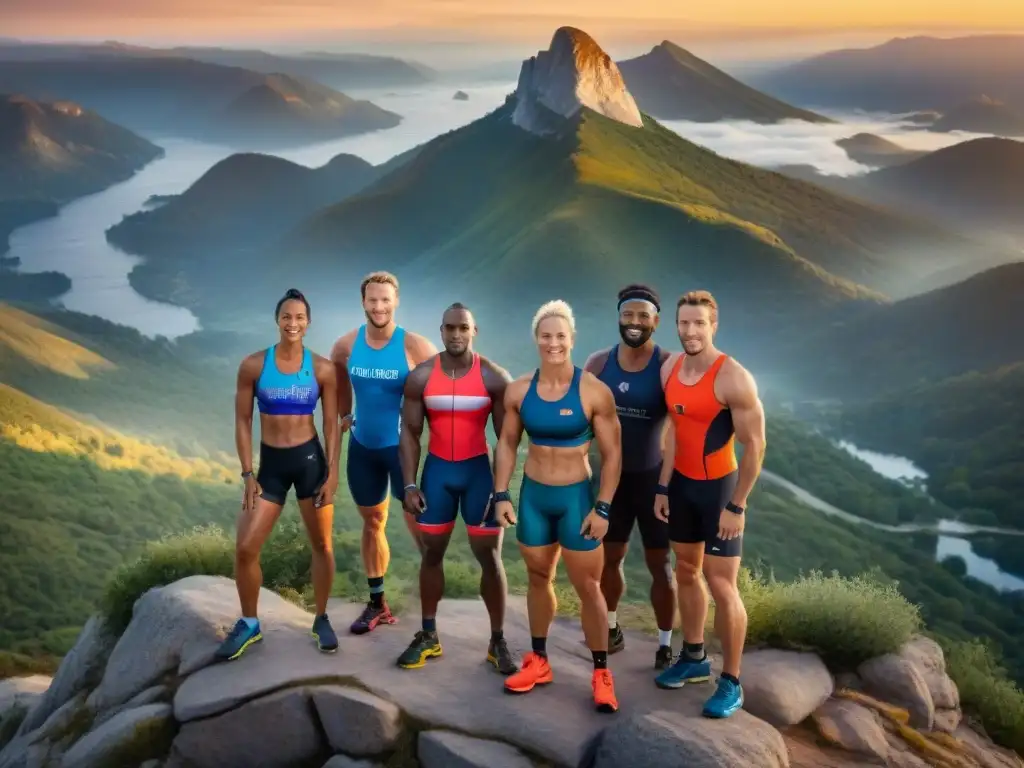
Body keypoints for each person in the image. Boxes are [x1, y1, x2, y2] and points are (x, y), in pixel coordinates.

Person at [492, 299, 623, 713]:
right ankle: (539, 661)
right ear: (537, 339)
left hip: (576, 499)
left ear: (572, 339)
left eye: (561, 336)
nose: (554, 343)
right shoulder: (519, 390)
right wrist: (501, 494)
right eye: (546, 336)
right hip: (534, 497)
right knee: (536, 578)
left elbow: (613, 455)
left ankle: (601, 674)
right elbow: (508, 444)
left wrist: (602, 508)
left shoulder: (593, 392)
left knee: (588, 587)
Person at [652, 290, 766, 720]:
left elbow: (756, 446)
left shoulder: (733, 376)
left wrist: (737, 506)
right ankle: (695, 656)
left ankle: (732, 682)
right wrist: (663, 488)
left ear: (713, 326)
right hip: (681, 487)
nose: (690, 331)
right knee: (685, 571)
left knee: (722, 585)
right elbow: (674, 432)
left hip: (720, 490)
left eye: (698, 323)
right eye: (683, 323)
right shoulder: (670, 369)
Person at [217, 288, 340, 661]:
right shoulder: (254, 365)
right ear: (277, 320)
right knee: (245, 548)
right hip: (269, 467)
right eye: (286, 317)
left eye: (299, 317)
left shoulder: (322, 369)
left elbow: (331, 423)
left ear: (308, 322)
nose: (293, 323)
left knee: (321, 545)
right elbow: (242, 419)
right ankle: (250, 624)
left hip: (309, 463)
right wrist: (247, 473)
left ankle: (321, 618)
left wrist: (332, 474)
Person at [395, 303, 518, 674]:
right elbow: (410, 435)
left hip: (478, 475)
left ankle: (498, 641)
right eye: (449, 328)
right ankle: (429, 635)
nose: (455, 334)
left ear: (474, 331)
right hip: (436, 476)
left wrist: (501, 492)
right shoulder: (421, 377)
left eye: (462, 328)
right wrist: (410, 483)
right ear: (441, 330)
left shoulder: (494, 378)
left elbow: (506, 442)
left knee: (489, 558)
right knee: (431, 554)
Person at [330, 271, 437, 635]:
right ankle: (377, 604)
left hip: (402, 450)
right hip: (363, 448)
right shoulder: (345, 346)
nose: (379, 306)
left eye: (385, 300)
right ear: (363, 302)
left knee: (418, 523)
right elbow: (341, 387)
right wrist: (346, 415)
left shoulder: (416, 347)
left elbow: (439, 396)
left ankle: (432, 607)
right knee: (373, 523)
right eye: (372, 300)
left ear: (396, 301)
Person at [582, 284, 675, 670]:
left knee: (660, 564)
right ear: (618, 317)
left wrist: (667, 486)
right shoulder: (600, 363)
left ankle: (666, 643)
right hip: (611, 482)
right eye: (628, 314)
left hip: (654, 481)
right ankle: (613, 627)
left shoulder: (669, 365)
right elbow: (579, 418)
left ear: (655, 320)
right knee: (609, 559)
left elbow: (682, 427)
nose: (634, 322)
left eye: (643, 315)